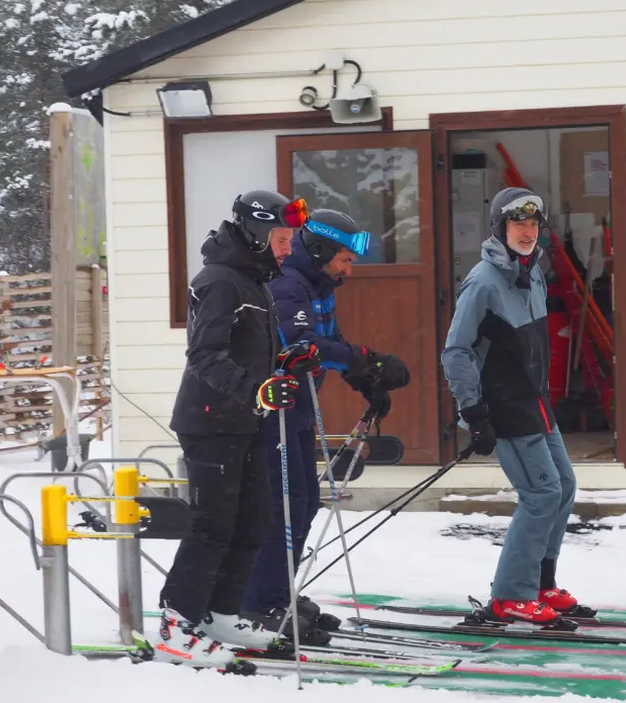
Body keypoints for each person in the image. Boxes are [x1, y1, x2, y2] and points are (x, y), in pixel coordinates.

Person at [155, 190, 315, 668]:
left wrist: (282, 363)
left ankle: (218, 613)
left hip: (242, 420)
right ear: (256, 233)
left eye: (290, 239)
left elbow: (243, 352)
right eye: (281, 238)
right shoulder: (221, 281)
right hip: (210, 421)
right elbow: (204, 355)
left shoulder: (253, 280)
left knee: (254, 518)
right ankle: (176, 620)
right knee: (213, 524)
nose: (288, 248)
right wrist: (257, 390)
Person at [242, 207, 410, 637]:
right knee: (286, 505)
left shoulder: (318, 283)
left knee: (304, 504)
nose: (349, 270)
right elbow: (301, 343)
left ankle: (277, 590)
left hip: (300, 407)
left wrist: (364, 379)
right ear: (321, 251)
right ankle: (258, 602)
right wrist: (367, 357)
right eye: (346, 260)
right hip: (273, 409)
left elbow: (330, 341)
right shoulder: (288, 283)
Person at [440, 187, 582, 626]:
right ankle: (509, 595)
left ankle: (540, 582)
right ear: (500, 228)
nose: (527, 231)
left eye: (534, 224)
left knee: (564, 486)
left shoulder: (532, 270)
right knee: (541, 495)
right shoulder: (484, 281)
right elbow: (456, 351)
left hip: (534, 401)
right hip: (503, 405)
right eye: (518, 223)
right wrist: (475, 412)